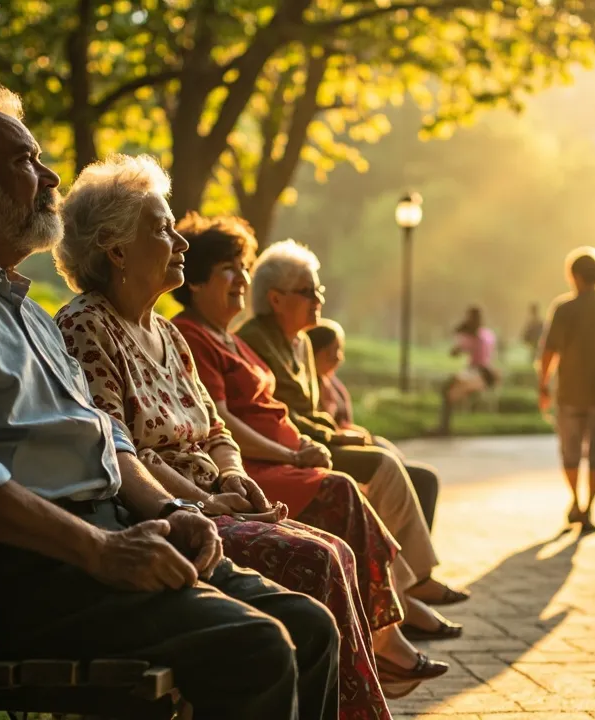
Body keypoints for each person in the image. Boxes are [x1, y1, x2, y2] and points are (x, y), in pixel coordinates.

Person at [0, 88, 339, 719]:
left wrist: (175, 508)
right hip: (9, 579)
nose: (49, 177)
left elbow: (104, 436)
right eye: (25, 161)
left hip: (92, 542)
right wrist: (100, 551)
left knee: (309, 623)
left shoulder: (23, 311)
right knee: (256, 647)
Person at [52, 154, 427, 718]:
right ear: (116, 249)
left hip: (216, 500)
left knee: (335, 552)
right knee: (322, 561)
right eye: (162, 228)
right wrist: (203, 500)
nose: (180, 241)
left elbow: (218, 427)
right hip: (166, 518)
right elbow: (119, 447)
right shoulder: (86, 325)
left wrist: (231, 474)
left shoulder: (167, 336)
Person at [169, 213, 457, 694]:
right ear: (196, 279)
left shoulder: (232, 338)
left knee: (370, 479)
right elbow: (223, 422)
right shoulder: (192, 336)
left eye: (243, 268)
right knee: (344, 489)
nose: (243, 279)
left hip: (279, 457)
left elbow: (278, 410)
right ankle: (386, 637)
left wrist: (306, 444)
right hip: (260, 465)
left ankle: (388, 626)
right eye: (229, 269)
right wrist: (295, 452)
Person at [238, 240, 470, 631]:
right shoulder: (254, 339)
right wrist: (336, 437)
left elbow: (311, 410)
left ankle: (407, 588)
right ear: (275, 299)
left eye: (319, 290)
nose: (318, 299)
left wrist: (340, 433)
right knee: (381, 465)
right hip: (291, 448)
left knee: (407, 466)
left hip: (315, 438)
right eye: (308, 292)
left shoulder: (300, 342)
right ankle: (414, 587)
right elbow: (280, 413)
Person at [306, 319, 440, 531]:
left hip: (357, 447)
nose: (338, 357)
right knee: (424, 479)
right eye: (331, 351)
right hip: (336, 454)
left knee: (419, 476)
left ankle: (411, 547)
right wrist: (350, 436)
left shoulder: (332, 384)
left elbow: (344, 423)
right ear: (313, 352)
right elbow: (322, 430)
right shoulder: (306, 387)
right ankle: (402, 548)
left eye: (339, 350)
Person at [538, 246, 595, 534]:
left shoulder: (563, 309)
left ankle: (575, 502)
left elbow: (549, 352)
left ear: (574, 276)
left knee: (570, 452)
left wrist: (543, 385)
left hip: (569, 393)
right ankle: (589, 507)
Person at [436, 306, 499, 435]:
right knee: (451, 389)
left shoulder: (474, 338)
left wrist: (460, 336)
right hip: (485, 373)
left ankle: (444, 427)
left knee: (449, 392)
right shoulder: (488, 335)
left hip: (478, 374)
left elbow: (454, 353)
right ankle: (445, 426)